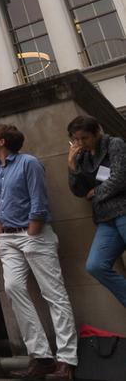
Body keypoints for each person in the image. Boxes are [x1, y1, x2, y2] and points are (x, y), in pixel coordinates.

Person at [0, 124, 77, 380]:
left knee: (54, 294)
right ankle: (41, 356)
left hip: (33, 234)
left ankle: (67, 360)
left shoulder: (29, 163)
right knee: (14, 288)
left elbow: (39, 197)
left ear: (2, 141)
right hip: (8, 238)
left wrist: (33, 228)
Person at [67, 115, 126, 308]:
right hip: (105, 218)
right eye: (76, 139)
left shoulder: (114, 144)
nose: (80, 143)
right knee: (96, 266)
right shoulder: (82, 156)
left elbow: (119, 178)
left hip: (123, 209)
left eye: (84, 138)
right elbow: (79, 191)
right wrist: (72, 166)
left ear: (96, 133)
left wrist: (97, 192)